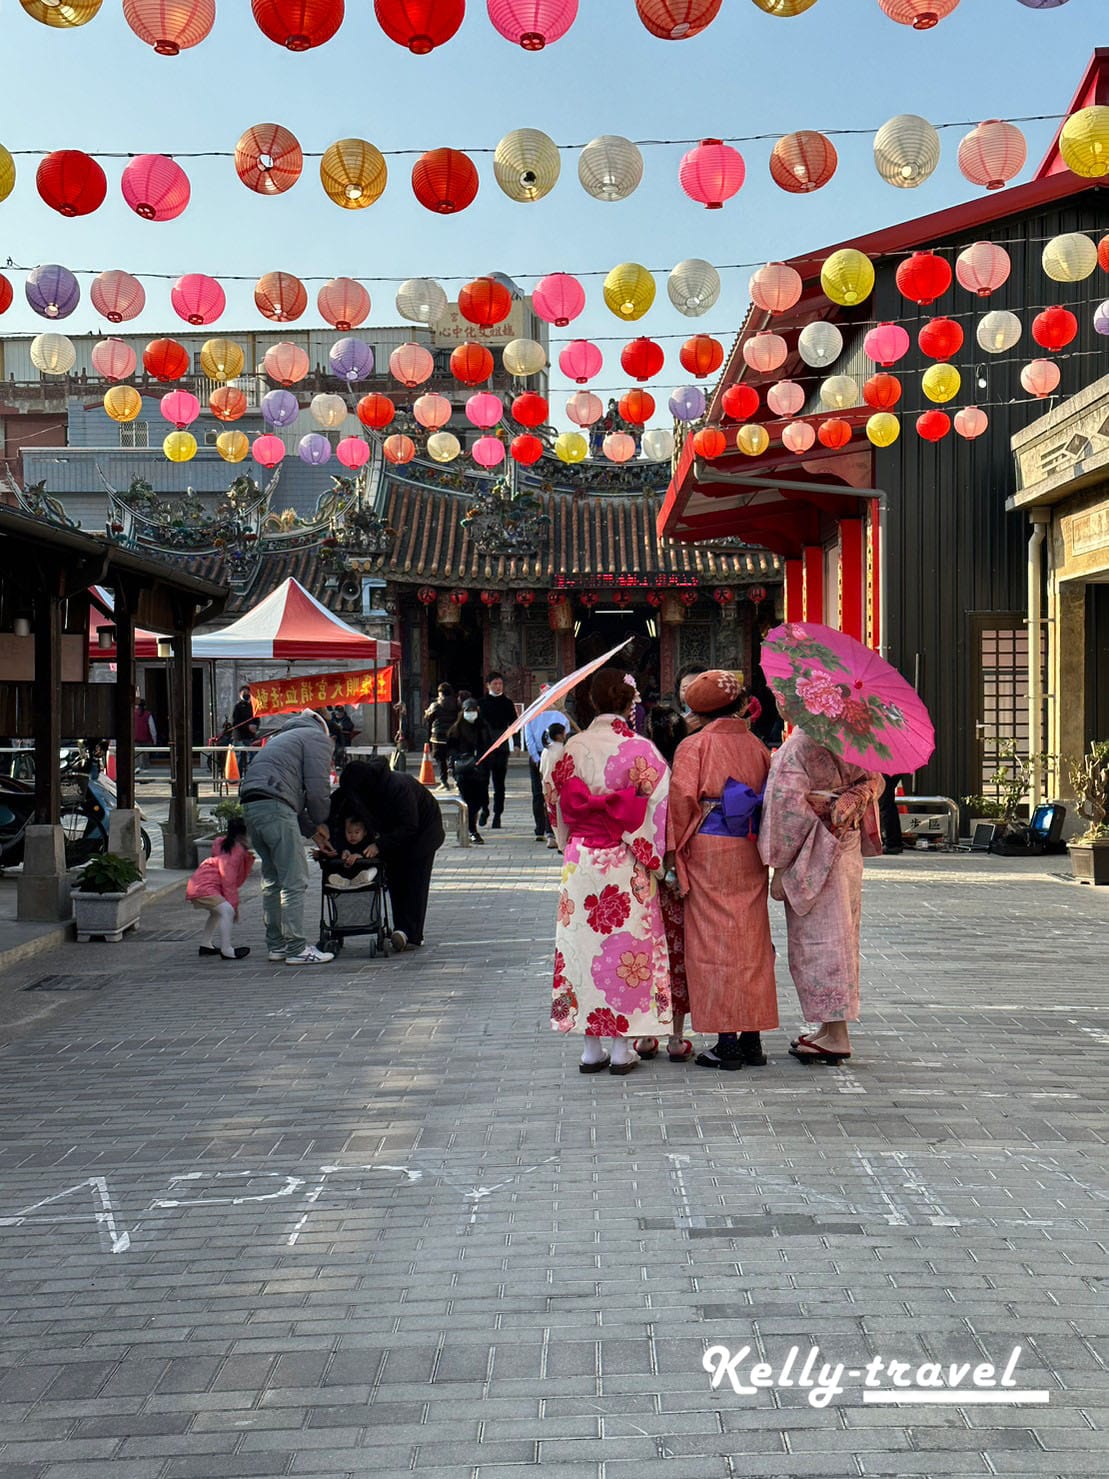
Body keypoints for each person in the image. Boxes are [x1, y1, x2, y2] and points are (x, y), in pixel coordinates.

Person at [550, 667, 673, 1077]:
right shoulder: (642, 750)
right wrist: (655, 859)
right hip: (625, 859)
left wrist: (567, 838)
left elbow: (556, 803)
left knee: (582, 949)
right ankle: (621, 1048)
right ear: (629, 703)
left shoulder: (572, 748)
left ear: (591, 702)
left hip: (582, 859)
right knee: (625, 952)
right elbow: (658, 809)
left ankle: (590, 1048)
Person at [759, 712, 884, 1064]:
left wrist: (779, 864)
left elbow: (785, 809)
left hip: (813, 846)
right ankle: (831, 1029)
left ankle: (837, 1033)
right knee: (843, 934)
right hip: (848, 844)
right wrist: (850, 801)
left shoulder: (799, 745)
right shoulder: (856, 736)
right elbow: (875, 781)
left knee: (818, 940)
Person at [668, 671, 777, 1071]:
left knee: (713, 942)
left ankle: (726, 1040)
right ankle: (752, 1037)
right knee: (750, 941)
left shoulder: (693, 746)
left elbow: (681, 804)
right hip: (747, 847)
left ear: (698, 710)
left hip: (708, 849)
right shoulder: (757, 746)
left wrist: (672, 857)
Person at [240, 709, 335, 965]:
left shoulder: (282, 739)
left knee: (272, 879)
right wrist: (322, 821)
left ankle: (277, 946)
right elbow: (316, 791)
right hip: (275, 807)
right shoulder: (315, 738)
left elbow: (290, 797)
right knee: (294, 879)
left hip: (252, 806)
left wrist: (313, 833)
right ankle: (296, 948)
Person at [319, 758, 445, 949]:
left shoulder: (397, 787)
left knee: (414, 880)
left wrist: (379, 845)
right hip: (392, 833)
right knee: (394, 876)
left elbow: (409, 825)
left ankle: (411, 935)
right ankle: (400, 929)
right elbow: (337, 814)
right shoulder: (355, 788)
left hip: (424, 833)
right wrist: (338, 845)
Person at [186, 815, 254, 961]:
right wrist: (234, 906)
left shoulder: (221, 844)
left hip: (198, 883)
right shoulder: (235, 851)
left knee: (216, 913)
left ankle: (206, 944)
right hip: (205, 887)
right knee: (227, 911)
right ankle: (227, 949)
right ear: (243, 834)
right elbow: (228, 880)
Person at [525, 687, 572, 845]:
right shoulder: (555, 715)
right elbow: (565, 736)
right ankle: (545, 829)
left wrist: (537, 758)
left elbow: (529, 739)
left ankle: (543, 829)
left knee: (540, 793)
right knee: (550, 792)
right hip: (555, 755)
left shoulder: (540, 714)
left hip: (541, 755)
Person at [446, 699, 494, 845]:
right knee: (468, 802)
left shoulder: (483, 726)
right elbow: (450, 750)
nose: (470, 713)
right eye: (467, 710)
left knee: (481, 800)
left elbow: (489, 746)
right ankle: (472, 830)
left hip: (480, 770)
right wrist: (454, 764)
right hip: (463, 771)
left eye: (473, 710)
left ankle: (472, 823)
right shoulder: (456, 729)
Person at [479, 672, 517, 829]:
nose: (497, 686)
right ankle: (485, 809)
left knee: (499, 783)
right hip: (484, 746)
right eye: (494, 684)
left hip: (501, 746)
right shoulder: (480, 703)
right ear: (488, 685)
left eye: (500, 684)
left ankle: (497, 814)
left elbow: (515, 723)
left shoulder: (507, 703)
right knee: (482, 782)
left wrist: (516, 743)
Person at [313, 812, 379, 891]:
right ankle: (342, 881)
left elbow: (375, 855)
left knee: (373, 870)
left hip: (363, 873)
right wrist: (320, 854)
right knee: (333, 874)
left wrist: (360, 856)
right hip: (345, 875)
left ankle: (361, 879)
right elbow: (332, 853)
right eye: (349, 832)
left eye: (357, 832)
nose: (353, 835)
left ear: (364, 833)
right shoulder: (342, 844)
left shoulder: (368, 845)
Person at [423, 683, 459, 789]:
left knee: (440, 759)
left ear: (440, 692)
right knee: (452, 756)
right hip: (452, 735)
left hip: (438, 737)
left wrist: (426, 713)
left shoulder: (435, 705)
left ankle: (444, 781)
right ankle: (456, 779)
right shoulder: (456, 703)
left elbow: (428, 718)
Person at [538, 722, 567, 842]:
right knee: (563, 817)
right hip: (560, 786)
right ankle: (562, 841)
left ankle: (555, 839)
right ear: (560, 735)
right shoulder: (564, 749)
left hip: (547, 786)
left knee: (553, 816)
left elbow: (541, 769)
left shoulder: (546, 750)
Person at [230, 686, 259, 774]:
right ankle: (238, 777)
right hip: (240, 736)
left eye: (248, 693)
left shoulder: (253, 706)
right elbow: (236, 722)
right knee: (240, 757)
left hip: (250, 736)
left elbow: (257, 719)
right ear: (240, 694)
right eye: (244, 693)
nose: (246, 695)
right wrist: (247, 726)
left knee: (252, 756)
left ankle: (251, 775)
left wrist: (255, 727)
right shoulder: (238, 707)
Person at [877, 772, 905, 854]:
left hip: (887, 769)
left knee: (886, 805)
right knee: (888, 804)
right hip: (892, 769)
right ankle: (894, 842)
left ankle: (893, 843)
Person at [133, 698, 156, 776]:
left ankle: (137, 771)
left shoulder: (133, 714)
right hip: (146, 739)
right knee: (145, 758)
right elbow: (152, 728)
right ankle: (146, 774)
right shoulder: (148, 715)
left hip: (135, 739)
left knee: (136, 757)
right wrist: (154, 740)